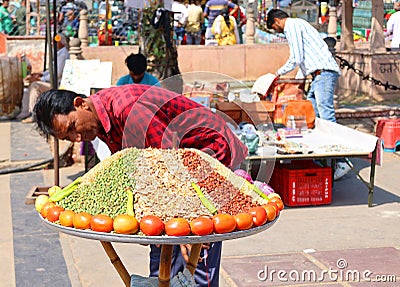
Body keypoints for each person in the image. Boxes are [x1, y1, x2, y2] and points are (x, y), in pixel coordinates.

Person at [33, 84, 248, 287]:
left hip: (206, 151)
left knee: (197, 248)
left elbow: (167, 162)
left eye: (73, 127)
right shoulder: (101, 121)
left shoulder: (127, 108)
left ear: (80, 103)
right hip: (174, 163)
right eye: (68, 137)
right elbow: (137, 165)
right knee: (160, 249)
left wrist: (185, 223)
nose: (77, 137)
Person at [267, 9, 351, 180]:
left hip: (324, 74)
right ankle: (322, 157)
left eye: (275, 28)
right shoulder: (298, 25)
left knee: (326, 116)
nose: (278, 31)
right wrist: (297, 83)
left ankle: (342, 160)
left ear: (277, 20)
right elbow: (303, 60)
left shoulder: (292, 26)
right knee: (314, 116)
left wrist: (277, 73)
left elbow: (296, 57)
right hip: (317, 75)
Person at [18, 33, 70, 122]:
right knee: (29, 85)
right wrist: (40, 74)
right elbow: (51, 71)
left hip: (56, 83)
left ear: (62, 42)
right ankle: (25, 111)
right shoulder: (59, 53)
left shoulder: (63, 54)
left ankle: (33, 114)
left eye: (56, 41)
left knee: (35, 86)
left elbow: (57, 73)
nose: (54, 44)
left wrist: (40, 79)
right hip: (51, 80)